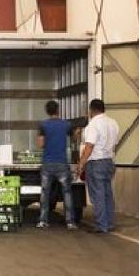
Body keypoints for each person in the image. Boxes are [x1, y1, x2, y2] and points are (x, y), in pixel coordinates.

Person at [77, 99, 120, 234]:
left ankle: (101, 225)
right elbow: (115, 143)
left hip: (96, 163)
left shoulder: (93, 125)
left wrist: (81, 163)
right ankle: (110, 223)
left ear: (91, 110)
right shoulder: (113, 123)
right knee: (107, 194)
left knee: (98, 195)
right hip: (108, 161)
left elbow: (89, 146)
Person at [36, 100, 77, 230]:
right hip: (62, 163)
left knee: (45, 192)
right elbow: (74, 139)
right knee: (67, 193)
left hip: (48, 163)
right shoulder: (66, 125)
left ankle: (43, 220)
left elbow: (41, 144)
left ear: (47, 111)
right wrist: (77, 133)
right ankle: (70, 222)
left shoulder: (43, 125)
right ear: (58, 110)